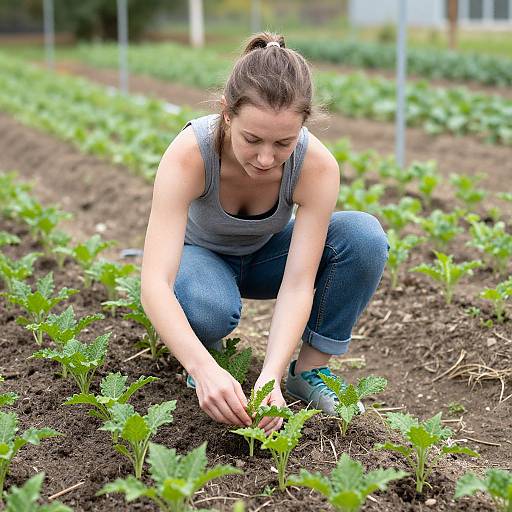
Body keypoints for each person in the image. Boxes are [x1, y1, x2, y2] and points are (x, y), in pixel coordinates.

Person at [140, 32, 388, 435]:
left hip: (267, 258)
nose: (266, 158)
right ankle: (207, 353)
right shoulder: (190, 154)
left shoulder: (316, 166)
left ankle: (309, 372)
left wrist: (269, 375)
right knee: (205, 306)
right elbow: (154, 282)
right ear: (226, 113)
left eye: (284, 143)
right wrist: (202, 369)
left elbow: (297, 283)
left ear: (303, 126)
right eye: (252, 139)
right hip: (201, 262)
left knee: (362, 237)